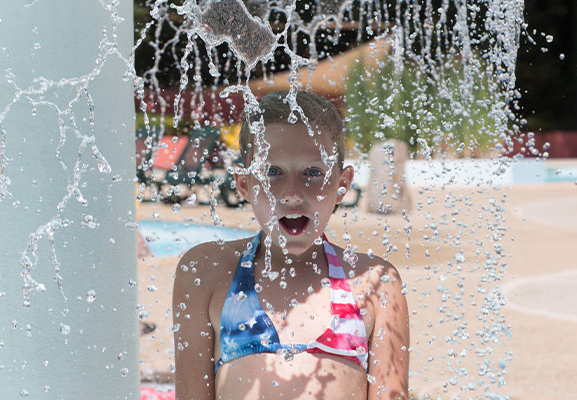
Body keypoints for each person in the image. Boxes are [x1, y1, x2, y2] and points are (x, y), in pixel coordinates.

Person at [173, 90, 409, 399]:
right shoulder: (206, 271)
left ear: (342, 184)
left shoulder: (376, 283)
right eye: (272, 172)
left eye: (313, 172)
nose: (292, 193)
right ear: (244, 183)